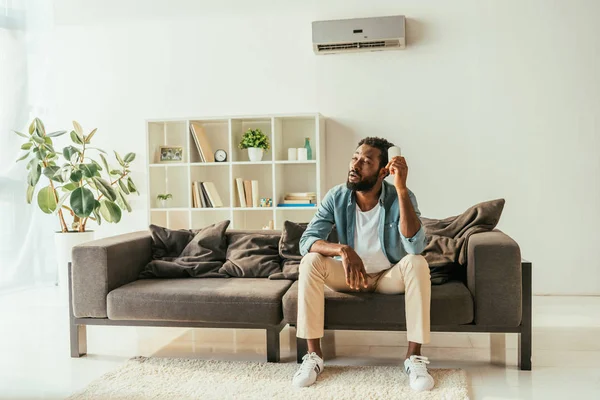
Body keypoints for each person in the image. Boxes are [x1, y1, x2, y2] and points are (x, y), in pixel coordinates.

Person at [292, 137, 433, 392]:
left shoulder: (401, 196)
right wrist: (342, 249)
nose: (355, 165)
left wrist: (401, 189)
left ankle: (414, 357)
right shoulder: (336, 196)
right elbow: (307, 241)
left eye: (366, 161)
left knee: (417, 263)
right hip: (349, 276)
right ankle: (313, 357)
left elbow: (414, 246)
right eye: (355, 157)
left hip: (386, 277)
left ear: (383, 171)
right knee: (310, 261)